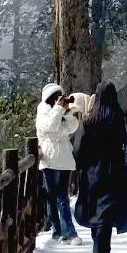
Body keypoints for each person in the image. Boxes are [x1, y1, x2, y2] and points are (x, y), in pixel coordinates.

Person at [74, 80, 127, 253]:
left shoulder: (88, 121)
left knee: (97, 211)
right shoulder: (122, 118)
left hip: (92, 172)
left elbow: (78, 149)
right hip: (115, 171)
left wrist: (83, 166)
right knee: (106, 214)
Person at [35, 83, 82, 244]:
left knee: (62, 197)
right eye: (56, 97)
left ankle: (67, 232)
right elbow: (50, 127)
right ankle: (59, 231)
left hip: (65, 159)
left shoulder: (60, 112)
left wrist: (68, 112)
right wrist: (58, 109)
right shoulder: (43, 112)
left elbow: (73, 127)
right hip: (50, 159)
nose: (58, 101)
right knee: (53, 197)